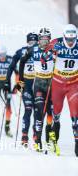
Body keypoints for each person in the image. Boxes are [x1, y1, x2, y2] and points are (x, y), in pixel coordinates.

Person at [18, 28, 54, 152]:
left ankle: (48, 136)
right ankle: (31, 137)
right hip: (34, 83)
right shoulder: (30, 50)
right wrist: (19, 81)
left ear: (49, 39)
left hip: (49, 82)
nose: (44, 42)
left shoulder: (53, 49)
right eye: (42, 39)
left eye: (46, 39)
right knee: (34, 110)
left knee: (49, 111)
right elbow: (19, 63)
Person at [46, 24, 78, 156]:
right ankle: (54, 139)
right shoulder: (56, 42)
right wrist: (51, 50)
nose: (70, 42)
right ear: (64, 37)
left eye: (73, 39)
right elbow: (43, 57)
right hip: (58, 83)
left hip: (73, 83)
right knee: (56, 114)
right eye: (68, 39)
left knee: (75, 114)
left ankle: (77, 142)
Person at [5, 32, 38, 146]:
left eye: (35, 42)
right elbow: (12, 65)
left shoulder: (41, 51)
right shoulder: (21, 51)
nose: (32, 44)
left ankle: (36, 133)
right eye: (30, 42)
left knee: (38, 110)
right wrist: (7, 80)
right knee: (28, 109)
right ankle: (24, 135)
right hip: (24, 83)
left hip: (39, 82)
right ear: (27, 42)